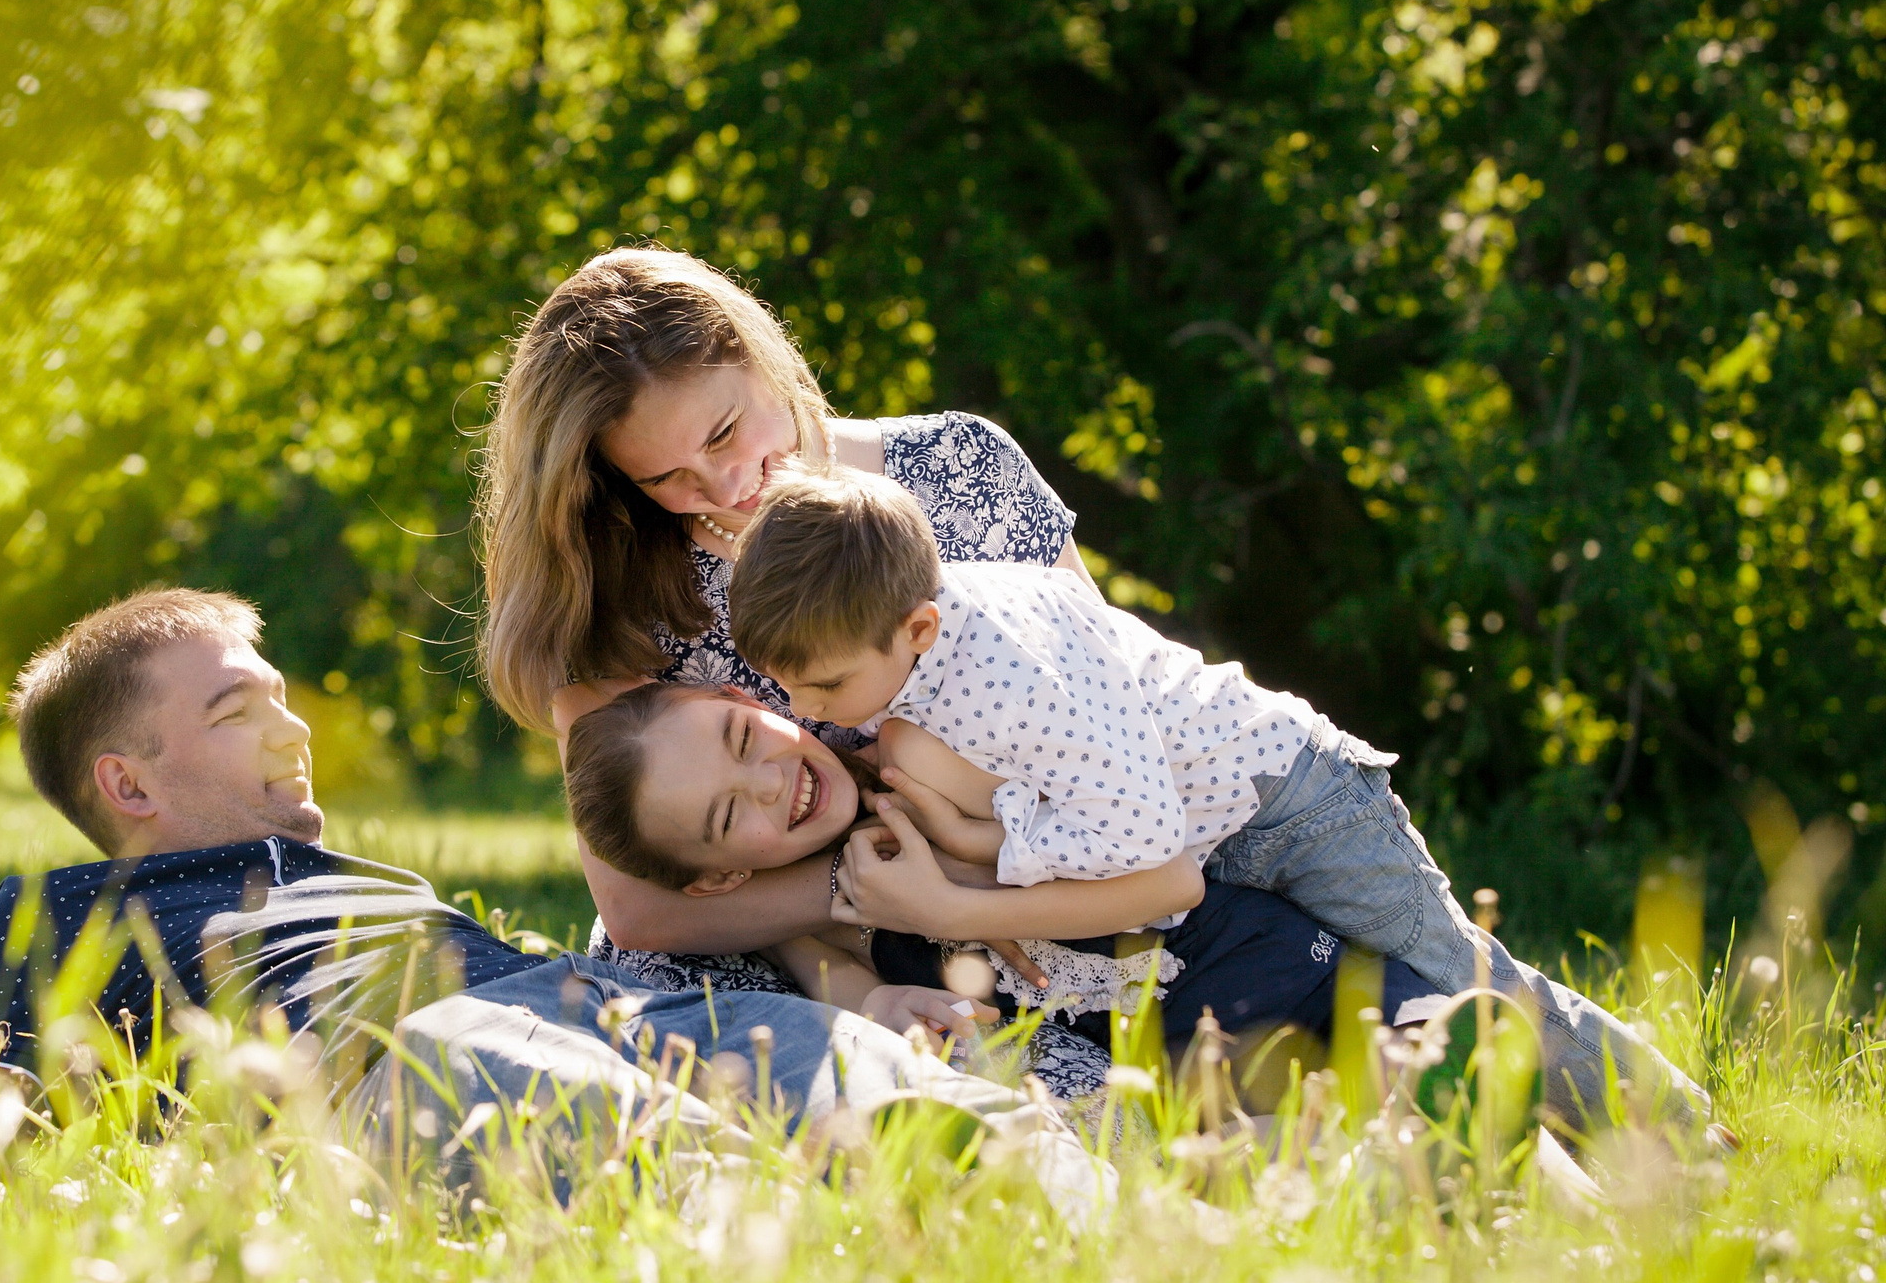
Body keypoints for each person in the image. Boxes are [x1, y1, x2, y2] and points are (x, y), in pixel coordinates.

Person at [0, 586, 1108, 1214]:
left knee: (883, 1091)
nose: (294, 727)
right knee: (608, 1132)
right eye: (238, 713)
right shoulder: (56, 908)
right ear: (127, 782)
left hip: (607, 1000)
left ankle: (1079, 1220)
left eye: (281, 696)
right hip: (400, 1055)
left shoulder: (367, 883)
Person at [699, 463, 1709, 1128]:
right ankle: (1546, 1131)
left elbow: (1152, 863)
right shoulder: (923, 645)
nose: (806, 709)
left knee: (1444, 966)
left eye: (824, 686)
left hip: (1293, 801)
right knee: (1414, 997)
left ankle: (1673, 1128)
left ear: (915, 631)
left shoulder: (1004, 681)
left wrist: (968, 864)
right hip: (1213, 811)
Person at [474, 244, 1097, 1008]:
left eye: (725, 431)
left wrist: (974, 890)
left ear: (757, 355)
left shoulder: (964, 470)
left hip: (1054, 889)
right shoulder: (614, 593)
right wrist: (867, 897)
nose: (728, 484)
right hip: (774, 950)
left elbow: (1117, 700)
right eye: (665, 477)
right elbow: (643, 907)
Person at [562, 679, 1449, 1075]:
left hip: (1306, 979)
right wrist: (873, 1002)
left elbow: (1163, 873)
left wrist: (952, 892)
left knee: (1473, 1089)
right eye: (729, 817)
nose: (770, 782)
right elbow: (820, 959)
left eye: (743, 738)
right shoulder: (811, 909)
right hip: (1216, 1080)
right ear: (718, 880)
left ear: (754, 701)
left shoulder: (922, 765)